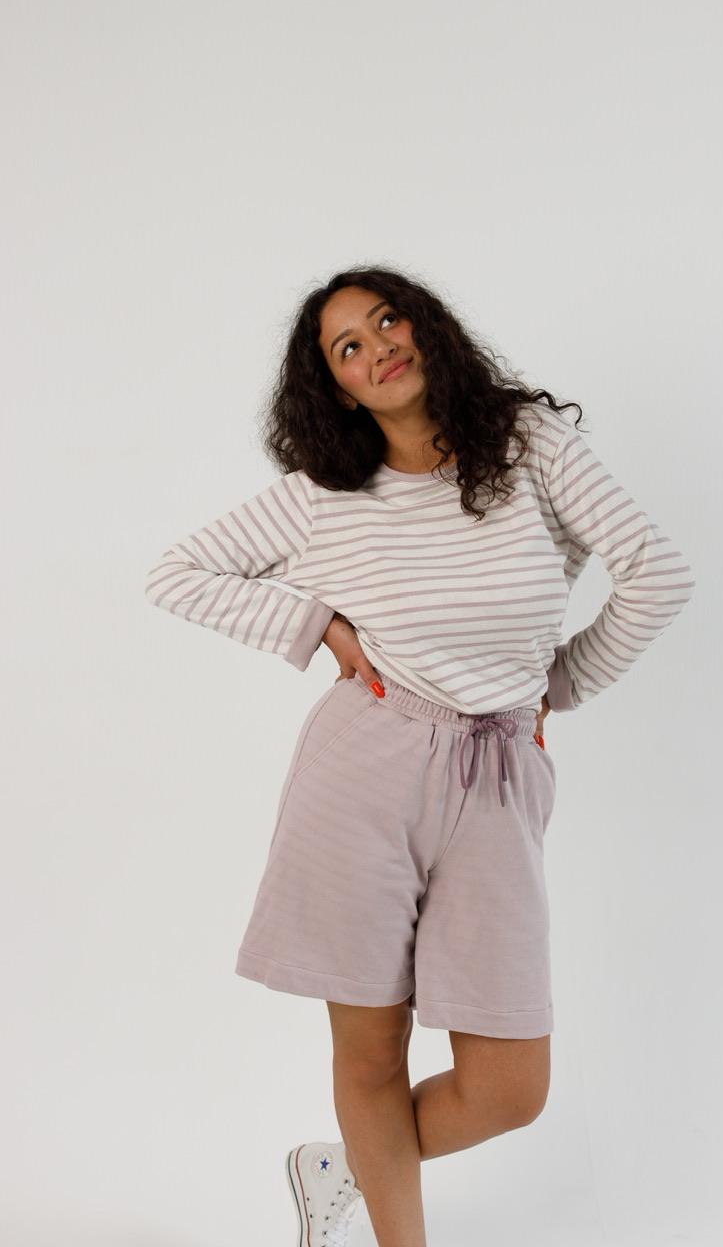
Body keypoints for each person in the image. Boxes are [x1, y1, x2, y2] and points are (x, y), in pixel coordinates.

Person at [143, 264, 695, 1246]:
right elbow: (176, 572)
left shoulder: (530, 445)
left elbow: (657, 571)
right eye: (347, 347)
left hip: (499, 779)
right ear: (337, 387)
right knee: (371, 1052)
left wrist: (558, 686)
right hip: (364, 769)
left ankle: (341, 1166)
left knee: (509, 1087)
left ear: (426, 326)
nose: (377, 348)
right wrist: (316, 625)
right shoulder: (322, 495)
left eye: (387, 319)